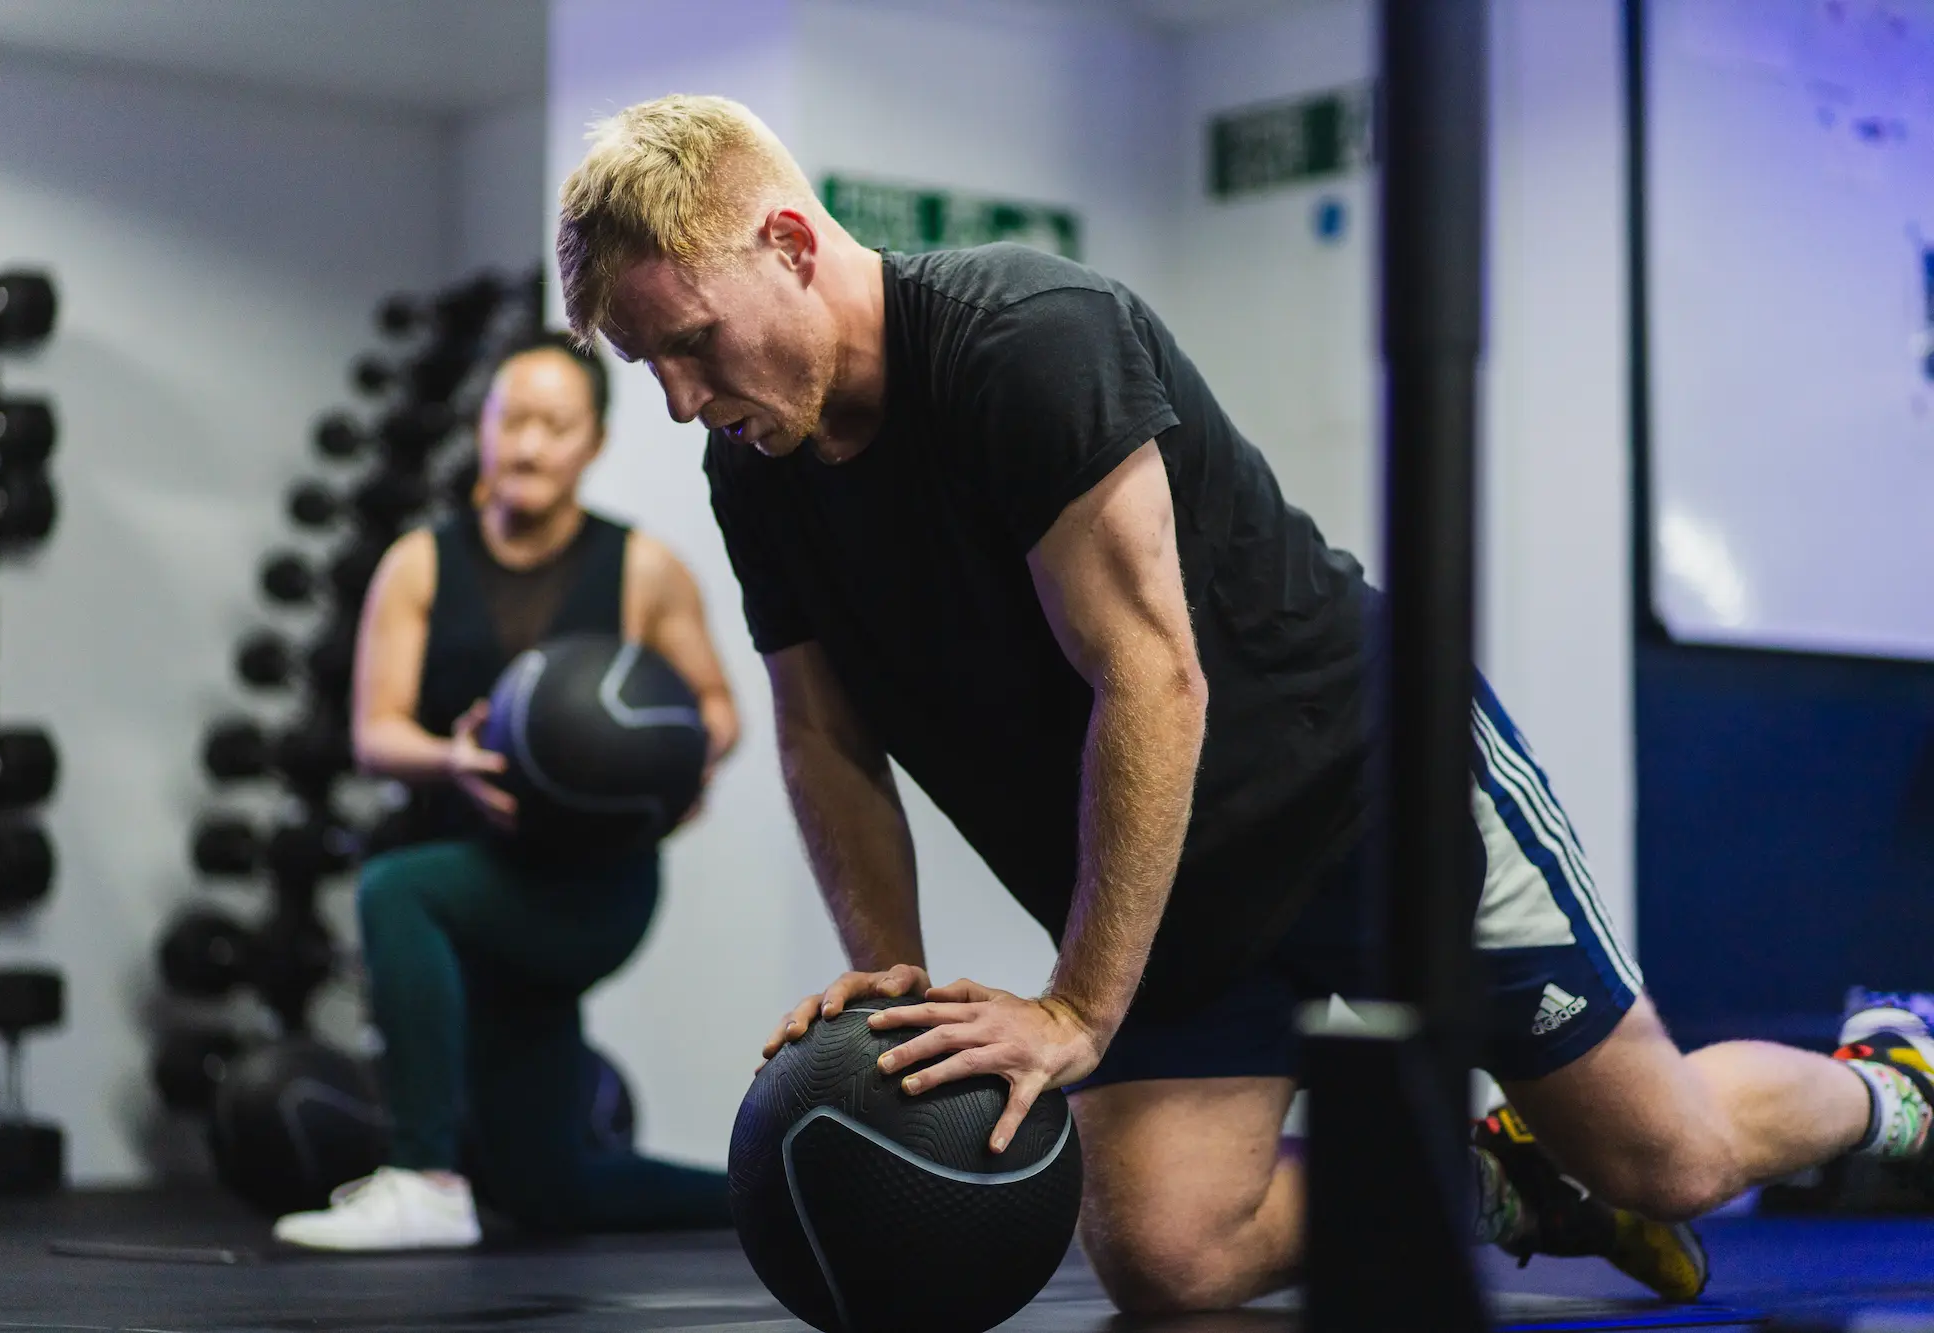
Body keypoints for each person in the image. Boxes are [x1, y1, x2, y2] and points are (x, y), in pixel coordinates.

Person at [551, 93, 1934, 1311]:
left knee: (1666, 1156)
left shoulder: (1028, 339)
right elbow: (823, 730)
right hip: (1177, 885)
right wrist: (890, 978)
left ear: (790, 246)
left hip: (1366, 787)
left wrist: (1079, 1011)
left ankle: (1899, 1074)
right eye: (647, 366)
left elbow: (1150, 675)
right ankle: (1498, 1177)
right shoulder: (759, 458)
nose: (679, 402)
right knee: (1169, 1253)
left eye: (690, 344)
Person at [270, 333, 739, 1251]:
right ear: (481, 431)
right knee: (548, 1186)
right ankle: (773, 1188)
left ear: (593, 442)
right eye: (510, 420)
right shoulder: (421, 561)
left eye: (554, 425)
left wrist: (679, 766)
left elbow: (716, 708)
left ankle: (423, 1177)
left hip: (590, 888)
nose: (527, 445)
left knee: (393, 887)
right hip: (477, 874)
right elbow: (377, 733)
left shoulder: (643, 569)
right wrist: (453, 760)